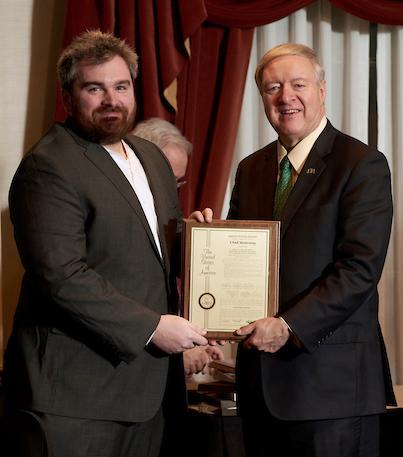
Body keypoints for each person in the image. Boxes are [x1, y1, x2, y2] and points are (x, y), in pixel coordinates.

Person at [2, 30, 212, 457]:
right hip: (75, 397)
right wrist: (153, 328)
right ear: (68, 96)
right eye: (94, 88)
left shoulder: (151, 157)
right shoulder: (48, 166)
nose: (111, 99)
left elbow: (151, 250)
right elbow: (62, 276)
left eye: (121, 86)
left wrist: (202, 243)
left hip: (147, 392)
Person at [225, 43, 396, 457]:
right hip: (258, 389)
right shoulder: (252, 168)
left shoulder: (361, 163)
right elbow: (238, 261)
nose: (286, 97)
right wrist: (204, 239)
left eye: (298, 84)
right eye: (272, 88)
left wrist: (288, 325)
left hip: (330, 391)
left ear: (321, 90)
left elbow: (358, 269)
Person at [133, 117, 225, 377]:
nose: (172, 191)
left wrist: (196, 240)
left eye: (179, 182)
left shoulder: (168, 218)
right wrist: (175, 359)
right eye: (167, 178)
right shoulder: (113, 218)